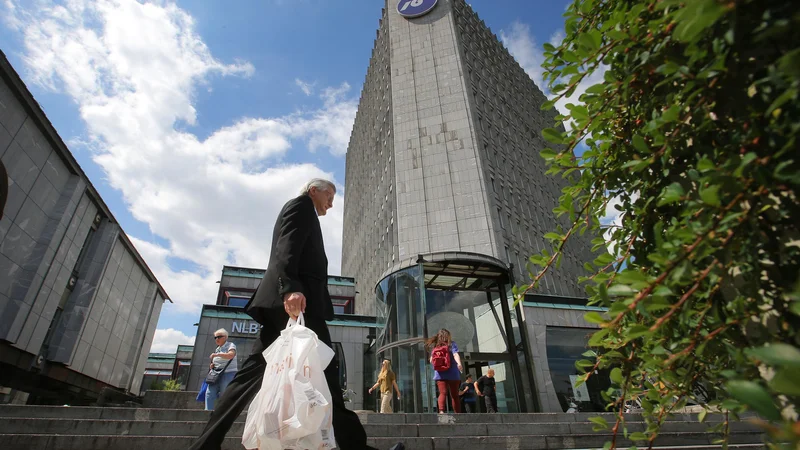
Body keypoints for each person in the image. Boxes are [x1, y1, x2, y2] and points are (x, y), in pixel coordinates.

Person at [189, 179, 394, 450]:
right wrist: (291, 289)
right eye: (329, 195)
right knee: (327, 372)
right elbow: (286, 248)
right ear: (313, 190)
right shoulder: (300, 207)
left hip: (296, 306)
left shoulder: (307, 211)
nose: (331, 203)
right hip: (297, 306)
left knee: (249, 376)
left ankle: (204, 445)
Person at [426, 328, 463, 414]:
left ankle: (442, 411)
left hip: (440, 374)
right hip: (453, 373)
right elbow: (455, 354)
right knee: (454, 395)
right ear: (448, 336)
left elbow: (431, 360)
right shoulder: (452, 344)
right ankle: (458, 414)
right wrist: (459, 364)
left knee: (442, 393)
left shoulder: (436, 346)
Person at [204, 328, 237, 411]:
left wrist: (216, 355)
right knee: (209, 393)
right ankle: (208, 412)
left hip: (227, 373)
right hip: (215, 373)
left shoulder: (230, 345)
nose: (216, 339)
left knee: (224, 393)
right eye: (215, 337)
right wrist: (212, 365)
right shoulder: (217, 348)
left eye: (219, 337)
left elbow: (231, 355)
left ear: (225, 337)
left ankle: (222, 413)